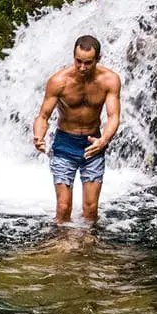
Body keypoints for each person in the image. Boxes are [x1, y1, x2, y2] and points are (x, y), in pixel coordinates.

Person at [31, 34, 121, 224]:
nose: (82, 67)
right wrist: (39, 135)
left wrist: (103, 140)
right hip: (65, 144)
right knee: (63, 208)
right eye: (78, 61)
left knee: (91, 209)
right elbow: (43, 116)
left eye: (88, 63)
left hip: (93, 145)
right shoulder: (59, 81)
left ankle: (88, 246)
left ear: (98, 59)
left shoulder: (110, 80)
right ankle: (61, 246)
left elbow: (113, 116)